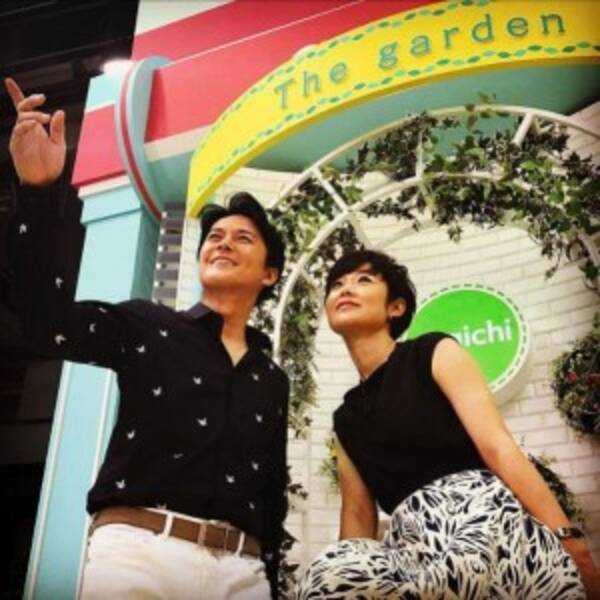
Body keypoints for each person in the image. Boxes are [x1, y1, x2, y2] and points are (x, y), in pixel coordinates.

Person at [6, 77, 288, 599]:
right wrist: (39, 193)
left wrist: (269, 573)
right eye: (215, 237)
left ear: (269, 274)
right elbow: (46, 324)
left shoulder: (271, 378)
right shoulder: (149, 326)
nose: (223, 243)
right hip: (139, 552)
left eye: (243, 238)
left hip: (242, 572)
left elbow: (272, 489)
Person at [298, 249, 600, 599]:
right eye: (336, 285)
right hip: (414, 549)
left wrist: (567, 538)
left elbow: (499, 447)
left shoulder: (433, 351)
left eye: (363, 280)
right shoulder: (345, 418)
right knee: (324, 577)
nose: (346, 289)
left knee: (465, 567)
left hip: (482, 522)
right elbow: (357, 514)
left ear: (395, 307)